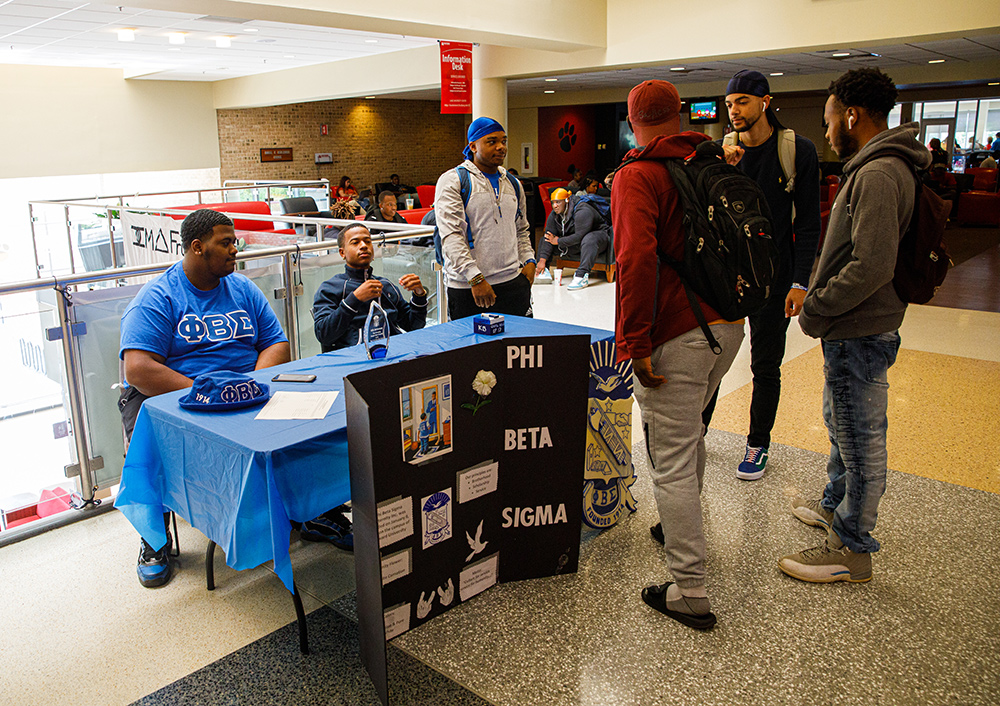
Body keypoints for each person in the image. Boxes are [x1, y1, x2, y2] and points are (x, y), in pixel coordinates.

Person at [778, 67, 931, 584]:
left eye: (827, 121)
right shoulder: (874, 167)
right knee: (841, 424)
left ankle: (851, 548)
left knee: (861, 441)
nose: (825, 133)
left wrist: (817, 307)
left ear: (851, 115)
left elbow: (872, 265)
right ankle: (834, 507)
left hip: (859, 327)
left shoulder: (879, 174)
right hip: (852, 328)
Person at [613, 80, 745, 630]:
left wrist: (635, 342)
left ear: (633, 123)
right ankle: (677, 526)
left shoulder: (638, 174)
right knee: (690, 435)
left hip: (678, 330)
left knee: (668, 458)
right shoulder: (710, 158)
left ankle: (690, 589)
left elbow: (635, 261)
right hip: (729, 326)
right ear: (682, 114)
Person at [118, 209, 291, 588]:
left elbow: (277, 343)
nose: (235, 250)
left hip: (243, 391)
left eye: (234, 242)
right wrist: (205, 394)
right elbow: (138, 369)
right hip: (180, 393)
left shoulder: (243, 289)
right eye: (225, 243)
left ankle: (304, 511)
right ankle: (155, 539)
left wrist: (247, 387)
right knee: (149, 446)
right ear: (197, 247)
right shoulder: (158, 297)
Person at [717, 69, 822, 482]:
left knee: (765, 365)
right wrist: (723, 168)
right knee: (712, 357)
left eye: (742, 101)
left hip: (775, 277)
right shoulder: (723, 151)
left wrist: (800, 282)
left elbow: (808, 223)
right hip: (729, 274)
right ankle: (698, 432)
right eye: (730, 103)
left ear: (765, 101)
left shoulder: (796, 150)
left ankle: (758, 442)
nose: (734, 110)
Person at [435, 116, 535, 321]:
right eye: (492, 141)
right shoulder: (453, 181)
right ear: (473, 146)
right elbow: (452, 236)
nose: (501, 147)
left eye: (503, 141)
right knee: (472, 343)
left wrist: (529, 260)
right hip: (469, 287)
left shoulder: (513, 183)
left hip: (512, 281)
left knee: (519, 340)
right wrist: (475, 277)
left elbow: (521, 229)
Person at [312, 223, 427, 351]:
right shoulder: (330, 288)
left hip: (395, 353)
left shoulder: (386, 285)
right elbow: (323, 334)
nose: (363, 246)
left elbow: (414, 326)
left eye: (368, 241)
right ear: (342, 252)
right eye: (355, 242)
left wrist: (419, 295)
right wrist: (354, 299)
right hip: (353, 358)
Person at [534, 187, 573, 283]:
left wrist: (559, 241)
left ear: (566, 201)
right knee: (544, 240)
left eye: (558, 202)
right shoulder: (553, 215)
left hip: (575, 244)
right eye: (553, 203)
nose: (555, 206)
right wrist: (542, 261)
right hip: (562, 245)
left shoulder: (578, 212)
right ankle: (542, 270)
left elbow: (579, 236)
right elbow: (548, 236)